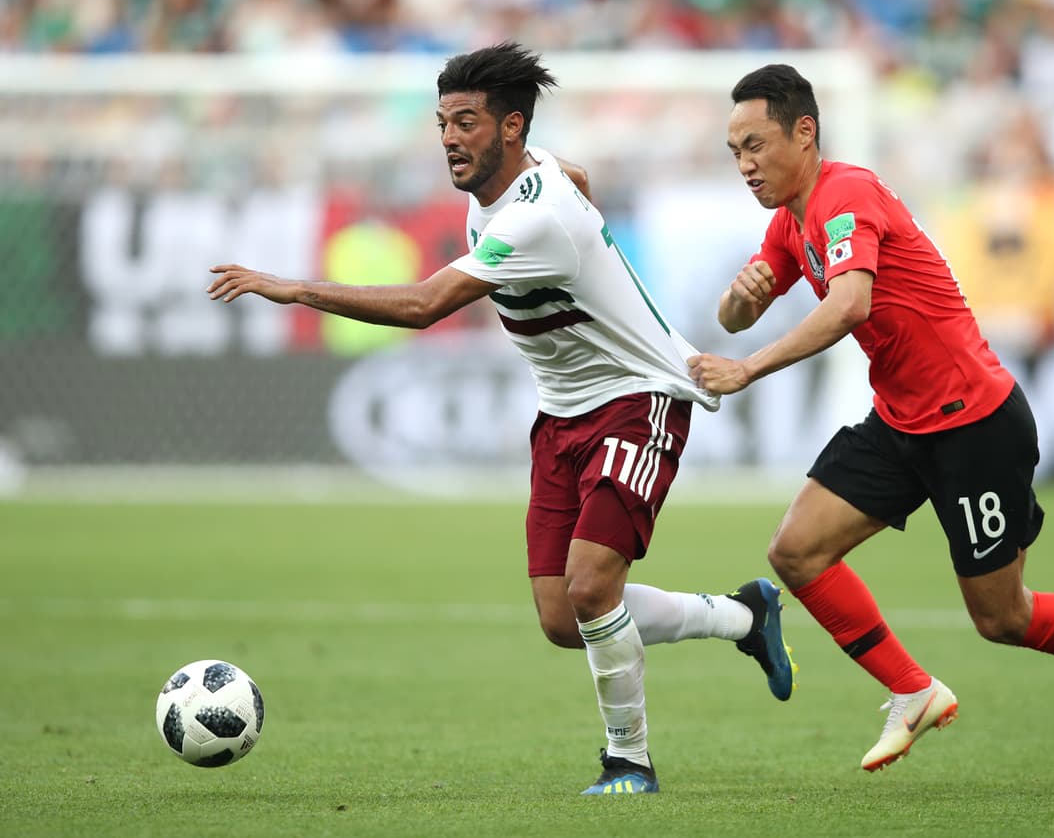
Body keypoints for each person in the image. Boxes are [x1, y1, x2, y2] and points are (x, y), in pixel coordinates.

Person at [207, 42, 796, 795]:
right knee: (561, 617)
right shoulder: (520, 178)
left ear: (510, 128)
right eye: (443, 122)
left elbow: (425, 306)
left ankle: (629, 761)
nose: (450, 137)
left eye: (467, 123)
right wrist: (581, 199)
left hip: (639, 397)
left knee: (591, 588)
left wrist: (295, 289)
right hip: (561, 417)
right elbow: (571, 174)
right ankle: (743, 616)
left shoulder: (535, 219)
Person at [687, 63, 1054, 773]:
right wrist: (741, 300)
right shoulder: (790, 221)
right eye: (733, 150)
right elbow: (734, 315)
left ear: (805, 132)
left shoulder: (845, 193)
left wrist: (747, 369)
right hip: (901, 420)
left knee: (1002, 618)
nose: (744, 163)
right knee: (796, 551)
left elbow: (849, 305)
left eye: (755, 144)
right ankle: (912, 690)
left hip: (974, 423)